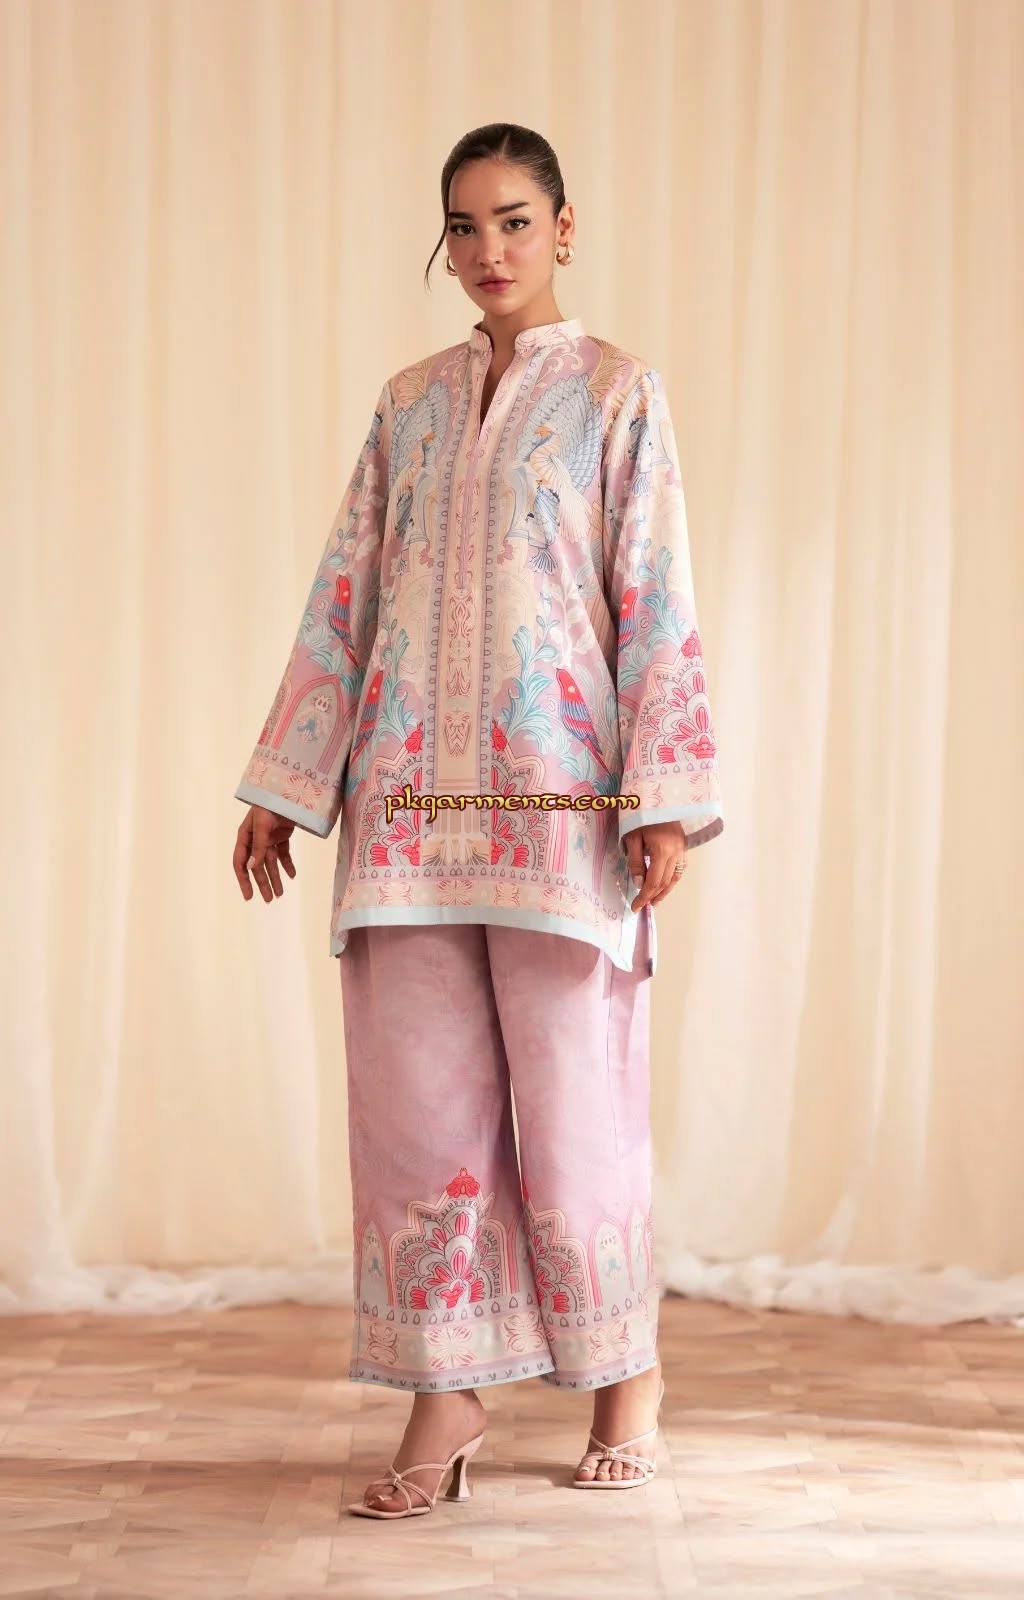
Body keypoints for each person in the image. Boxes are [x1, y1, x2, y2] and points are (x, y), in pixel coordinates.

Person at [232, 122, 724, 1519]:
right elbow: (347, 592)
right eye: (463, 225)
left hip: (564, 811)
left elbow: (656, 597)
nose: (488, 249)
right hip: (402, 811)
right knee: (418, 1119)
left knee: (578, 1110)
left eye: (514, 220)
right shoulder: (409, 406)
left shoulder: (620, 394)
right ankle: (444, 1399)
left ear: (563, 228)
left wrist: (663, 798)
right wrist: (287, 786)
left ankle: (626, 1380)